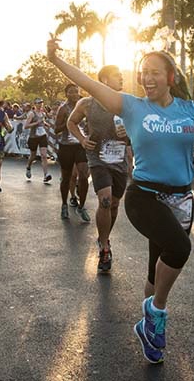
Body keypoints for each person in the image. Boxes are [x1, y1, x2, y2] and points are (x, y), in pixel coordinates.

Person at [47, 38, 194, 364]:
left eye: (155, 72)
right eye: (143, 73)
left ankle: (148, 325)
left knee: (155, 274)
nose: (147, 78)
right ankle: (156, 315)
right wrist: (55, 59)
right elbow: (86, 81)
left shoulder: (192, 110)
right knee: (180, 249)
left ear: (171, 77)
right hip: (143, 195)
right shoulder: (130, 106)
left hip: (181, 200)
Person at [67, 65, 133, 273]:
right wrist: (82, 140)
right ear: (104, 80)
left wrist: (127, 133)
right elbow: (72, 122)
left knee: (114, 204)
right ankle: (104, 247)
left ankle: (104, 238)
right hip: (98, 159)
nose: (122, 78)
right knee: (105, 201)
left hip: (119, 160)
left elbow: (139, 131)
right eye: (117, 76)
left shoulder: (126, 103)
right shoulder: (87, 103)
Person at [54, 84, 91, 222]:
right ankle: (64, 204)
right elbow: (56, 129)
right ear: (66, 94)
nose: (75, 94)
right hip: (66, 146)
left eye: (76, 91)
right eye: (71, 92)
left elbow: (89, 124)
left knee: (83, 174)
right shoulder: (63, 109)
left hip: (80, 145)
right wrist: (70, 123)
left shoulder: (84, 106)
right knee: (66, 177)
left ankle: (81, 206)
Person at [24, 98, 52, 183]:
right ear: (35, 104)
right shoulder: (31, 114)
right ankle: (28, 166)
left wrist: (46, 124)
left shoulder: (43, 113)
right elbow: (26, 126)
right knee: (33, 155)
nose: (40, 105)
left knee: (44, 155)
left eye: (41, 103)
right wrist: (36, 123)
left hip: (42, 136)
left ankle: (46, 175)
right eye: (38, 103)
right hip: (33, 137)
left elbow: (42, 122)